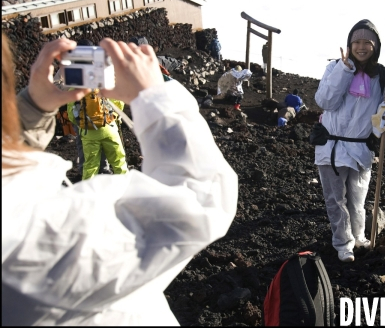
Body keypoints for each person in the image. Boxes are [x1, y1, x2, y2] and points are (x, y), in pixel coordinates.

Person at [2, 33, 238, 325]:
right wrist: (153, 96)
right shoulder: (35, 239)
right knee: (97, 163)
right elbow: (201, 196)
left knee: (115, 161)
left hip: (102, 129)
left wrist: (30, 111)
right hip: (94, 132)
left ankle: (121, 183)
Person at [315, 19, 385, 263]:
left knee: (357, 199)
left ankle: (359, 236)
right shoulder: (334, 68)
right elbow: (326, 102)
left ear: (375, 46)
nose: (361, 47)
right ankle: (343, 243)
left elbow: (383, 116)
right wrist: (344, 69)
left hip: (361, 148)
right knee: (335, 200)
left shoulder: (381, 75)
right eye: (356, 42)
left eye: (367, 43)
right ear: (349, 45)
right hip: (332, 146)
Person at [65, 39, 112, 178]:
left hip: (81, 120)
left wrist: (74, 120)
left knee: (84, 149)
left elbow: (70, 99)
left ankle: (86, 174)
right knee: (104, 145)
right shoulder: (100, 69)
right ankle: (104, 171)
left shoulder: (73, 72)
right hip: (101, 117)